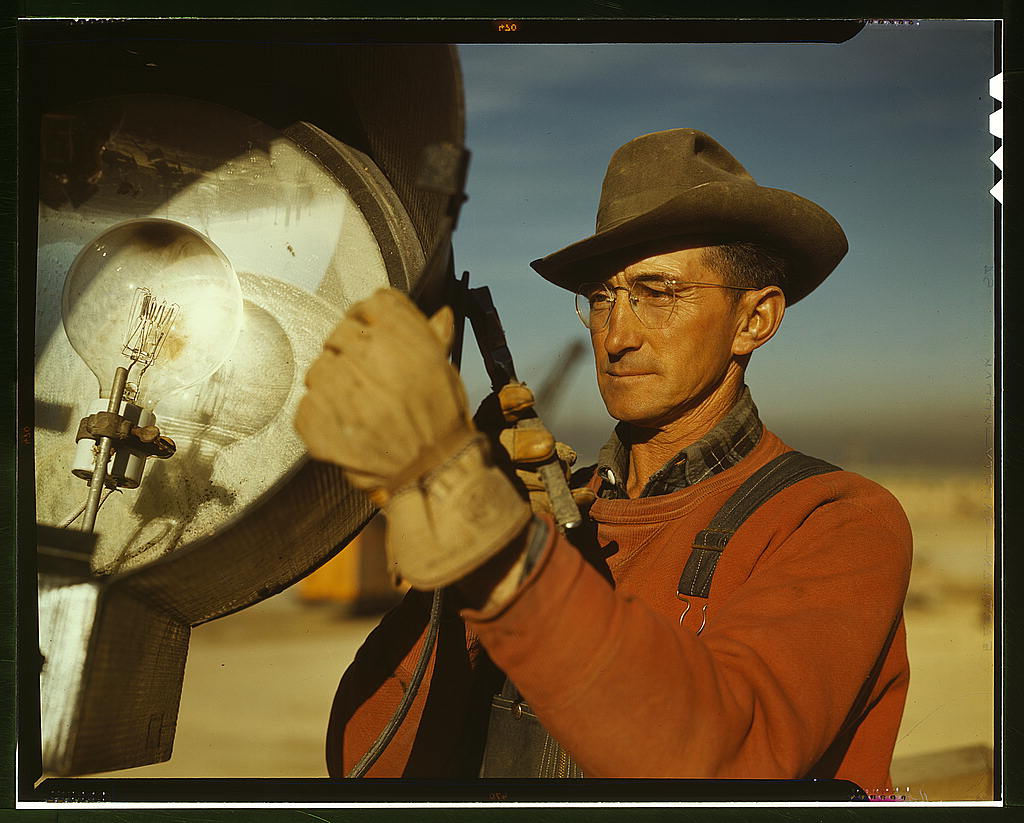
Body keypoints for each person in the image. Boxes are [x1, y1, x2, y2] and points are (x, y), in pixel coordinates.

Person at [295, 128, 912, 789]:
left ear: (754, 319)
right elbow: (365, 764)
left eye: (659, 292)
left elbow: (724, 759)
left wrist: (491, 543)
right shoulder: (545, 512)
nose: (615, 336)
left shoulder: (834, 521)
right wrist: (457, 577)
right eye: (601, 297)